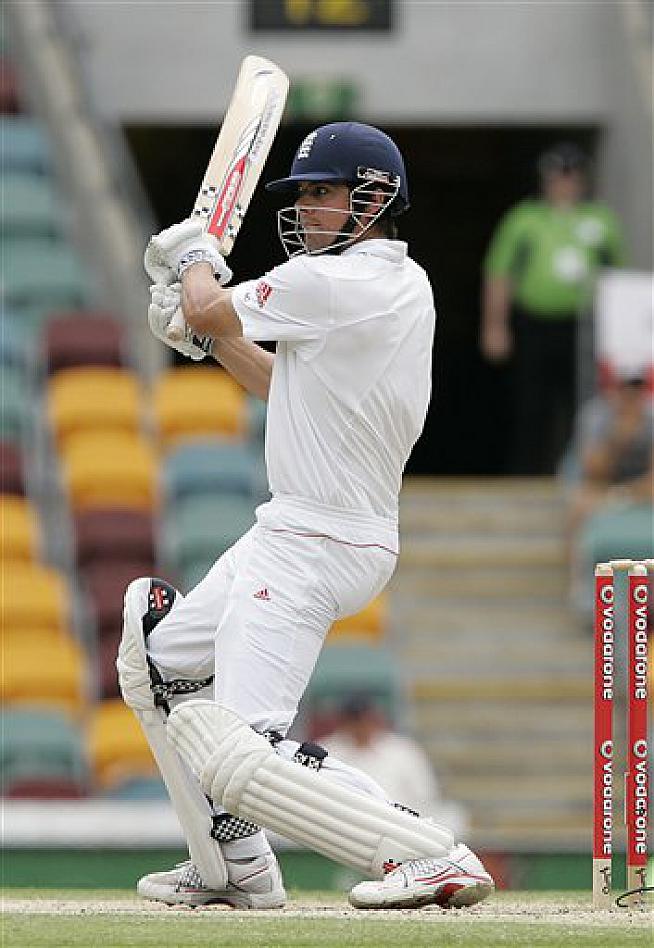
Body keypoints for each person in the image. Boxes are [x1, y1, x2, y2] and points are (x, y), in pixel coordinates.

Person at [117, 122, 494, 910]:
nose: (308, 208)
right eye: (305, 194)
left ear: (374, 197)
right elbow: (278, 384)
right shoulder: (391, 284)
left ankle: (429, 852)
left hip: (317, 538)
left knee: (241, 750)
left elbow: (210, 304)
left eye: (323, 192)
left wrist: (192, 263)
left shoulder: (335, 284)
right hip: (301, 528)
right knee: (157, 659)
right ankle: (234, 867)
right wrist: (203, 332)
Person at [481, 143, 626, 475]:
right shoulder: (524, 219)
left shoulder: (601, 220)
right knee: (531, 403)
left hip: (583, 327)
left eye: (571, 176)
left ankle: (579, 472)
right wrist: (494, 326)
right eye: (558, 176)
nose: (565, 183)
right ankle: (528, 473)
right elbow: (499, 274)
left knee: (583, 402)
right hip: (535, 323)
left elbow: (617, 279)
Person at [322, 693, 470, 836]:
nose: (360, 726)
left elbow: (425, 798)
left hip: (399, 833)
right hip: (343, 833)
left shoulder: (403, 751)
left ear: (373, 719)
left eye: (363, 720)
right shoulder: (328, 752)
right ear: (344, 722)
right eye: (354, 720)